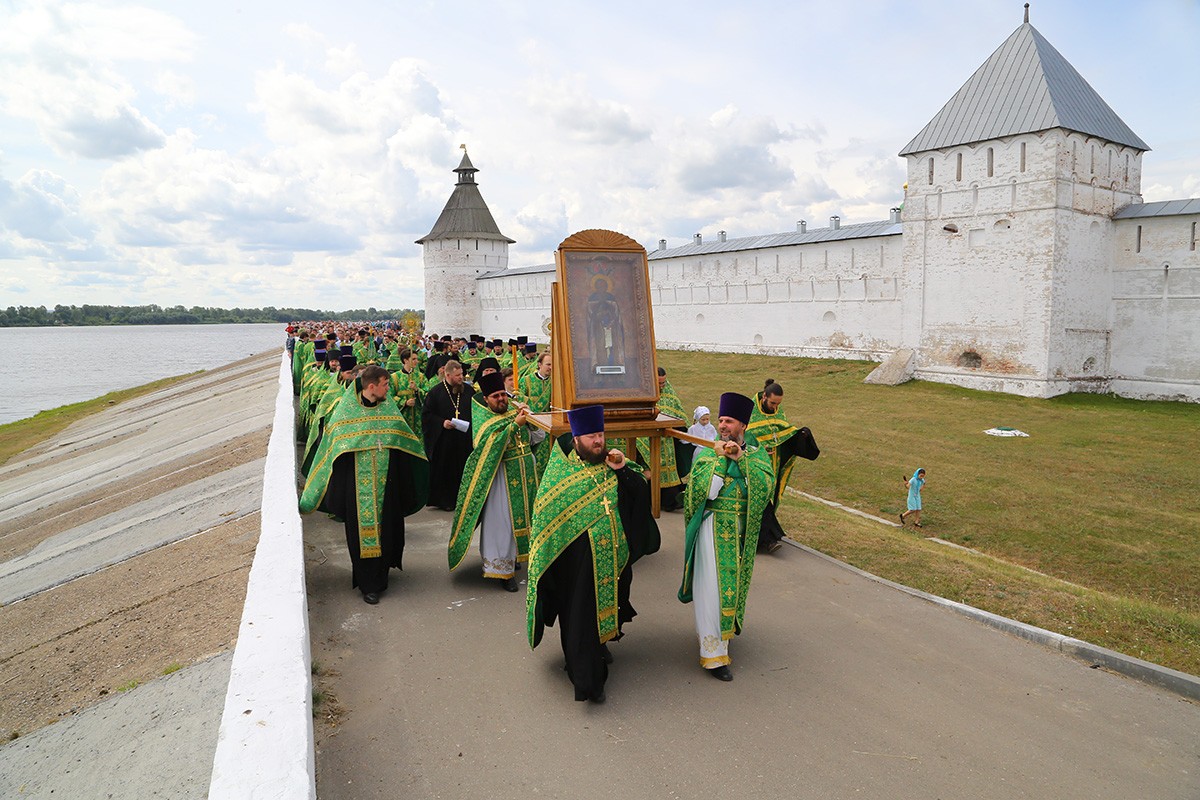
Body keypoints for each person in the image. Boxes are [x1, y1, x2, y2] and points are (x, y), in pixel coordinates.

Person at [526, 405, 660, 703]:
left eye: (600, 434)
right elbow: (546, 524)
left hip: (611, 561)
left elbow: (639, 494)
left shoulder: (611, 463)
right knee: (580, 618)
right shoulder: (560, 474)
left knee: (606, 609)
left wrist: (623, 469)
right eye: (591, 437)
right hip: (577, 566)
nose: (598, 441)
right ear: (576, 439)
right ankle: (587, 682)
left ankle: (598, 646)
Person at [300, 366, 429, 604]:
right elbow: (332, 450)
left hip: (387, 484)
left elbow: (403, 440)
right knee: (360, 535)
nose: (388, 389)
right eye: (385, 385)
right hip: (356, 487)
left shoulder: (389, 408)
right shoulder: (346, 412)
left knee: (388, 530)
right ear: (372, 386)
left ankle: (382, 574)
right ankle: (368, 583)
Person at [678, 392, 774, 682]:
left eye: (729, 421)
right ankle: (713, 655)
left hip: (740, 531)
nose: (722, 426)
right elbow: (704, 493)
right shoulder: (708, 454)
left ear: (743, 425)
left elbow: (764, 490)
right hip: (712, 528)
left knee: (728, 589)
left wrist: (741, 460)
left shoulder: (756, 456)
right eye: (720, 420)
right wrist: (721, 460)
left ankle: (721, 636)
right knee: (711, 589)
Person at [448, 371, 543, 591]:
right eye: (496, 396)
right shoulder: (484, 420)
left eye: (503, 394)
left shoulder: (514, 411)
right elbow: (488, 446)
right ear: (486, 399)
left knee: (525, 519)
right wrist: (515, 425)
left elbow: (537, 438)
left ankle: (516, 557)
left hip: (525, 474)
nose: (501, 399)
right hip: (501, 478)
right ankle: (502, 571)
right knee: (502, 524)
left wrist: (532, 420)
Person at [747, 379, 820, 554]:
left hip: (773, 464)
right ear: (764, 397)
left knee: (767, 499)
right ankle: (769, 540)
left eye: (778, 404)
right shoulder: (750, 411)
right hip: (753, 465)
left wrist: (800, 437)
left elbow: (783, 432)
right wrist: (760, 449)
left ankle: (764, 539)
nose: (775, 407)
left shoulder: (778, 411)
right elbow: (744, 436)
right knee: (760, 499)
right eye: (773, 403)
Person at [422, 360, 475, 511]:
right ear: (447, 375)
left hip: (464, 439)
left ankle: (465, 499)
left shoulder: (469, 391)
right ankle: (446, 501)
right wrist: (442, 423)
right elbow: (427, 416)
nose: (461, 378)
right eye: (457, 375)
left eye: (462, 374)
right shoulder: (435, 393)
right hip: (445, 440)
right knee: (447, 471)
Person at [636, 366, 690, 511]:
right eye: (658, 383)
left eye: (664, 383)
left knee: (668, 466)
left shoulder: (668, 393)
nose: (662, 386)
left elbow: (678, 411)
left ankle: (670, 498)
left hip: (667, 440)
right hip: (646, 438)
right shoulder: (641, 391)